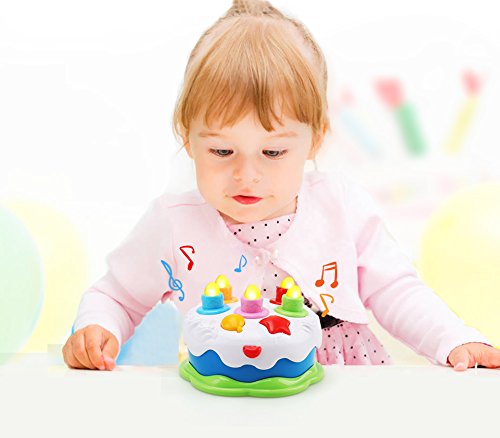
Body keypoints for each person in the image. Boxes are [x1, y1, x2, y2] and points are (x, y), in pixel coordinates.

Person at [63, 0, 500, 372]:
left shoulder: (340, 206)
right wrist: (97, 327)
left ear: (316, 139)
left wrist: (452, 339)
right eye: (222, 151)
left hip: (340, 395)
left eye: (272, 152)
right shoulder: (173, 224)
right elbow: (116, 295)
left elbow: (396, 289)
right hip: (223, 393)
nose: (246, 175)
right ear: (188, 138)